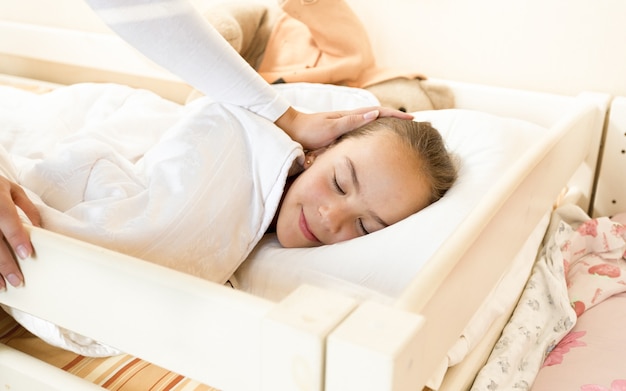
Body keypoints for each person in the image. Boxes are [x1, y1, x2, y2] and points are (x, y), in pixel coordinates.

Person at [0, 0, 452, 290]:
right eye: (337, 183)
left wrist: (286, 114)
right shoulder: (249, 143)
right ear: (314, 154)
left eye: (367, 228)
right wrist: (284, 116)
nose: (331, 217)